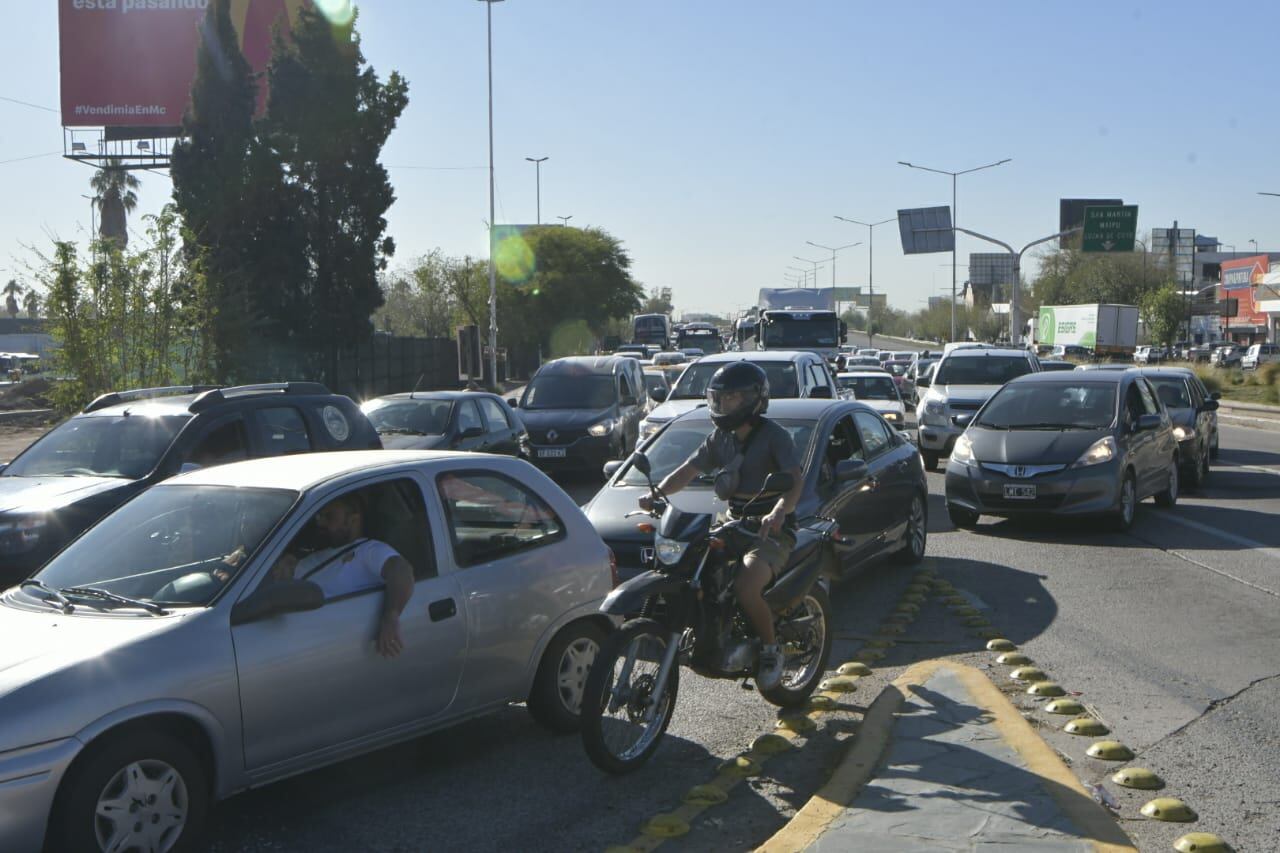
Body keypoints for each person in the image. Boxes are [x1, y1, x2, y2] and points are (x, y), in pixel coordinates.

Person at [637, 361, 804, 690]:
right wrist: (656, 493)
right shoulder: (720, 438)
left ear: (755, 400)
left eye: (733, 399)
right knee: (696, 570)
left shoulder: (775, 437)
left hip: (770, 530)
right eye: (720, 398)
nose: (724, 405)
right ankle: (714, 632)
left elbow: (795, 482)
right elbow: (688, 470)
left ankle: (771, 650)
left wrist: (780, 511)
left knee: (745, 586)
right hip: (733, 521)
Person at [272, 492, 414, 658]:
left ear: (353, 520)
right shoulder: (318, 553)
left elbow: (401, 570)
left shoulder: (368, 550)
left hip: (318, 639)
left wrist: (391, 615)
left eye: (329, 517)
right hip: (283, 625)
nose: (321, 522)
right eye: (320, 516)